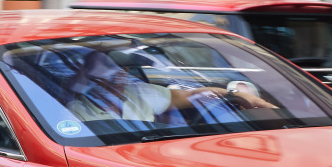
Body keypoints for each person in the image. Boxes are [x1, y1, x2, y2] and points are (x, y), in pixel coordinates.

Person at [65, 50, 273, 125]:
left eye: (123, 70)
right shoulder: (79, 111)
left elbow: (191, 95)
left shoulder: (138, 93)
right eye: (111, 74)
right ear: (95, 79)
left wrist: (236, 95)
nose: (121, 76)